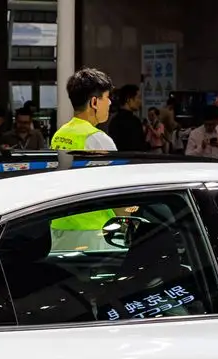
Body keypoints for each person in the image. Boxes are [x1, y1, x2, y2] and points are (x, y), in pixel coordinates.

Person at [49, 67, 118, 251]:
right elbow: (116, 190)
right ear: (94, 102)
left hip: (59, 226)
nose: (110, 102)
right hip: (94, 232)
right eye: (107, 97)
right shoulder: (99, 140)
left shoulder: (60, 135)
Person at [104, 84, 148, 151]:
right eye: (138, 97)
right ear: (128, 99)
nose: (140, 101)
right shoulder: (134, 121)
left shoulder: (114, 120)